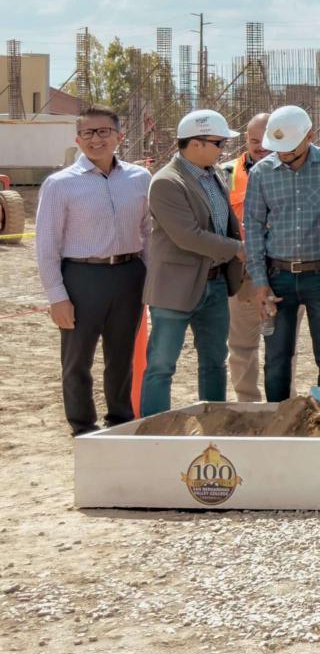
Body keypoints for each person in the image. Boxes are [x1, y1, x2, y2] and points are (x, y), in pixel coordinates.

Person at [38, 106, 151, 433]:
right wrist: (57, 296)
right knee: (77, 359)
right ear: (78, 139)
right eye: (87, 133)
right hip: (81, 277)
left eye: (103, 131)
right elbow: (46, 245)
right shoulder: (60, 184)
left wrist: (150, 277)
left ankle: (120, 420)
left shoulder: (140, 178)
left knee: (122, 355)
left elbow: (148, 232)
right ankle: (83, 426)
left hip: (129, 274)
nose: (95, 139)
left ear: (119, 136)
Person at [242, 105, 320, 400]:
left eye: (290, 149)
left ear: (310, 137)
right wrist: (260, 282)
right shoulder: (261, 173)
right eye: (278, 148)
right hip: (277, 277)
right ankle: (277, 418)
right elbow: (253, 228)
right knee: (276, 359)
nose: (283, 154)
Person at [141, 110, 245, 416]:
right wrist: (238, 249)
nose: (223, 149)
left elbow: (223, 225)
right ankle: (155, 428)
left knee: (214, 361)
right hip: (175, 288)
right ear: (196, 143)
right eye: (219, 142)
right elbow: (187, 236)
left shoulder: (215, 175)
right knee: (162, 365)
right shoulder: (166, 182)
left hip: (215, 283)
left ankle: (213, 422)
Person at [218, 112, 268, 402]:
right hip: (243, 270)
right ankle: (248, 403)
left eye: (267, 140)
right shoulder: (226, 174)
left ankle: (283, 405)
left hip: (282, 268)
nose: (261, 147)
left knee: (282, 346)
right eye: (254, 141)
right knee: (242, 345)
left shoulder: (293, 172)